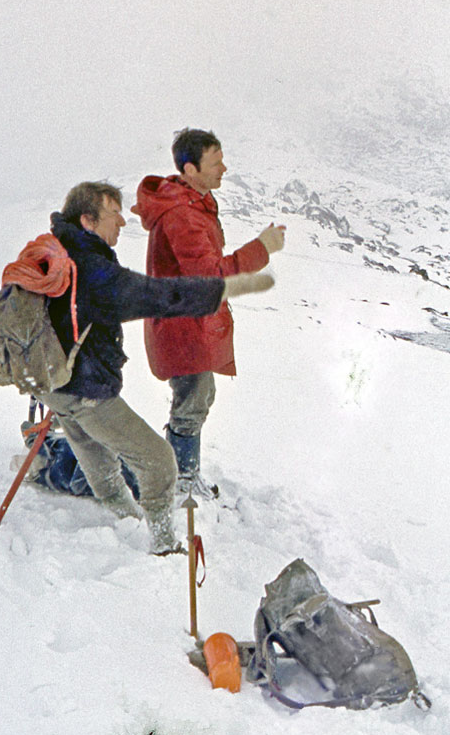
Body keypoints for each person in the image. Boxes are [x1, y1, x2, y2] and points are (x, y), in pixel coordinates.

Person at [30, 180, 274, 555]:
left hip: (52, 384)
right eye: (114, 214)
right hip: (85, 390)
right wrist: (221, 291)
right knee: (159, 462)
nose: (122, 223)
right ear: (88, 221)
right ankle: (163, 545)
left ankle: (124, 518)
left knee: (96, 457)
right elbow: (155, 295)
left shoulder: (57, 251)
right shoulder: (91, 269)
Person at [133, 128, 286, 499]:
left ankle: (180, 472)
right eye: (216, 163)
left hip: (186, 321)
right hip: (182, 324)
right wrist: (261, 250)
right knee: (194, 395)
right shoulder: (183, 215)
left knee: (197, 394)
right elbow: (209, 276)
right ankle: (179, 478)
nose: (224, 168)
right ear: (190, 168)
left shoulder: (195, 204)